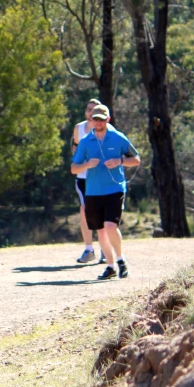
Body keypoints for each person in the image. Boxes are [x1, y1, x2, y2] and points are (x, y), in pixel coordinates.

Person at [71, 105, 140, 280]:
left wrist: (120, 160)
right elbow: (73, 168)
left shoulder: (118, 138)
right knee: (101, 231)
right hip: (93, 191)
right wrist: (86, 165)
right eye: (96, 119)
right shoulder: (85, 141)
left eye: (102, 119)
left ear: (108, 119)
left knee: (110, 226)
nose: (99, 122)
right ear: (92, 120)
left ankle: (121, 260)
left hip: (115, 188)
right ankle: (110, 267)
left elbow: (136, 159)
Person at [72, 99, 107, 264]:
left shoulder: (106, 129)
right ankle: (88, 249)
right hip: (84, 177)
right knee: (85, 210)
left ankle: (106, 250)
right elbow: (74, 146)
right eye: (88, 109)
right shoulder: (79, 128)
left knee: (103, 212)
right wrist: (79, 162)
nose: (91, 113)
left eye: (94, 110)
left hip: (101, 177)